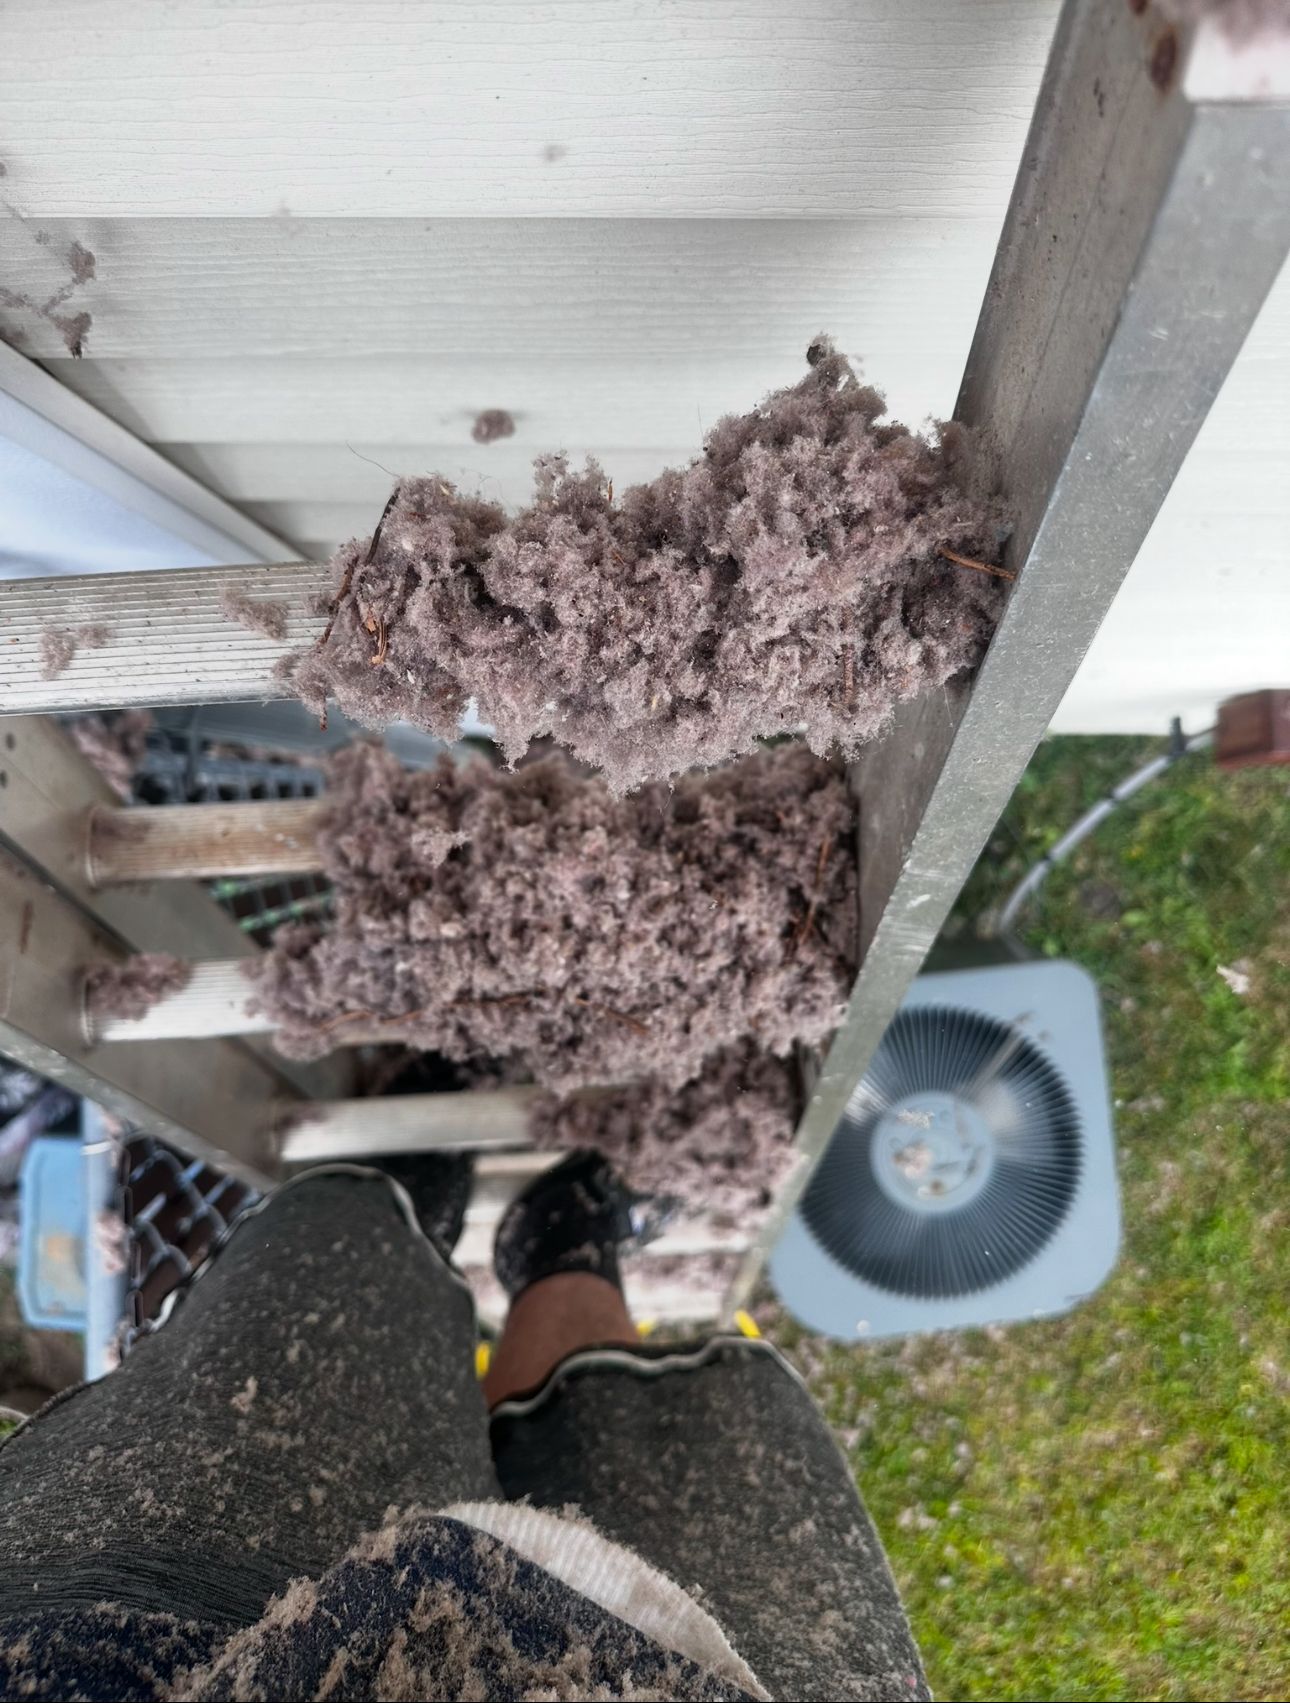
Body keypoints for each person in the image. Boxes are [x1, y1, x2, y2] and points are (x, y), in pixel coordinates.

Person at [0, 1149, 928, 1701]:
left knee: (310, 1346)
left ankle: (404, 1198)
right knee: (669, 1472)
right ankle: (562, 1246)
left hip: (126, 1666)